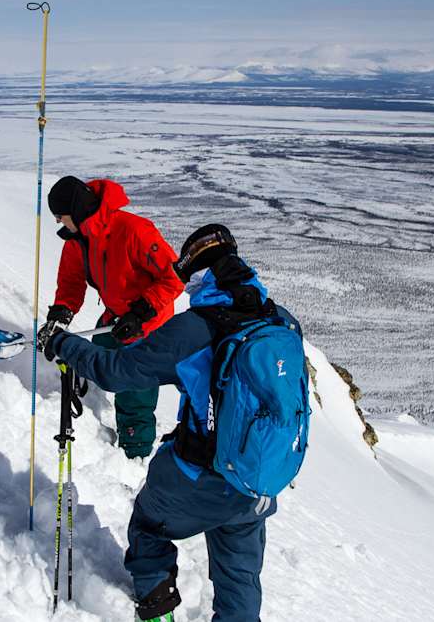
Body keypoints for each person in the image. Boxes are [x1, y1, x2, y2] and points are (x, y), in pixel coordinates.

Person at [45, 224, 305, 622]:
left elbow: (117, 371)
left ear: (196, 274)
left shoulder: (196, 329)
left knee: (149, 526)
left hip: (199, 478)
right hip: (258, 479)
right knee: (239, 577)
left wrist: (62, 343)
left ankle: (157, 611)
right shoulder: (281, 320)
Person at [35, 176, 184, 459]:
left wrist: (140, 312)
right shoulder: (78, 241)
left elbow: (174, 277)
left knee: (134, 388)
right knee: (94, 355)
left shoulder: (134, 231)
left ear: (76, 211)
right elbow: (71, 283)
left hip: (148, 323)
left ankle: (135, 452)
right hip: (116, 316)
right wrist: (60, 315)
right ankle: (89, 397)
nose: (58, 222)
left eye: (60, 216)